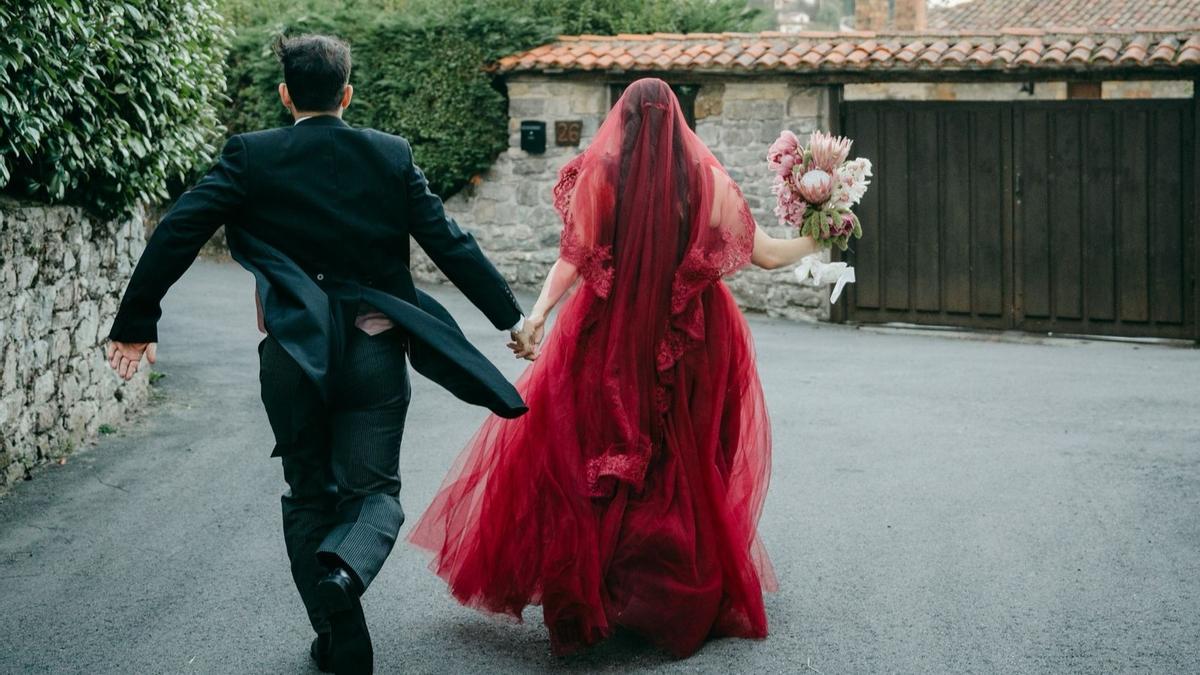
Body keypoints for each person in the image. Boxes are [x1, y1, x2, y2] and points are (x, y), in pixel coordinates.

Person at [105, 34, 533, 675]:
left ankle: (341, 637)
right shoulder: (390, 155)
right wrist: (512, 316)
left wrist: (137, 322)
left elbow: (179, 227)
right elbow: (449, 240)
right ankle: (346, 571)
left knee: (308, 496)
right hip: (373, 350)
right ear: (348, 93)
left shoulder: (251, 155)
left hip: (290, 356)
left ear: (284, 95)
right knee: (376, 494)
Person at [409, 78, 819, 658]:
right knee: (684, 462)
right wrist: (821, 235)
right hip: (691, 341)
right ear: (679, 123)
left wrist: (538, 316)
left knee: (593, 457)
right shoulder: (706, 182)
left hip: (606, 337)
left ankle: (598, 589)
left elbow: (572, 256)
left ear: (620, 121)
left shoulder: (601, 176)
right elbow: (771, 255)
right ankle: (668, 592)